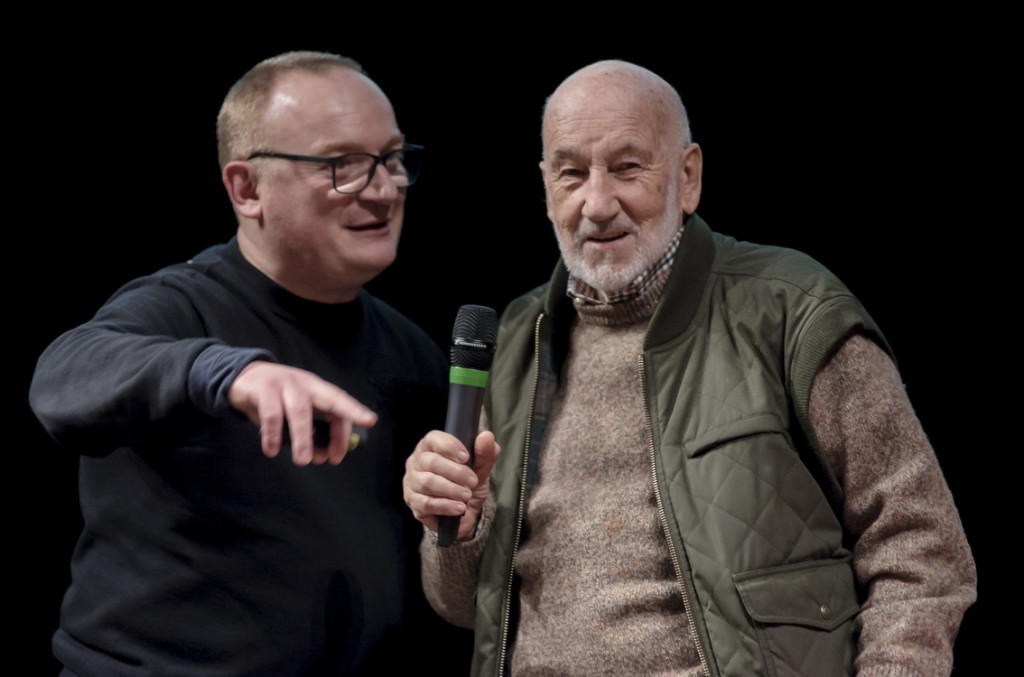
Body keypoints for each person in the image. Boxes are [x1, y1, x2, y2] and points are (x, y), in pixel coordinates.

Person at [403, 60, 976, 676]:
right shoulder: (517, 342)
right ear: (545, 188)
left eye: (627, 168)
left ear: (689, 176)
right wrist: (455, 532)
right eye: (572, 174)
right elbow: (462, 607)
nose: (597, 204)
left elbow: (920, 548)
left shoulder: (791, 310)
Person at [31, 51, 449, 675]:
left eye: (391, 159)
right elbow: (65, 374)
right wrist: (230, 373)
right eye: (343, 165)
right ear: (246, 188)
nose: (385, 188)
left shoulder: (412, 352)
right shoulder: (182, 306)